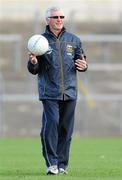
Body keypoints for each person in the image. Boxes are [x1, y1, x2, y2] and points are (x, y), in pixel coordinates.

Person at [27, 6, 88, 175]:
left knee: (66, 130)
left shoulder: (74, 40)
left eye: (61, 16)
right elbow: (34, 70)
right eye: (55, 17)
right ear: (47, 20)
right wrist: (33, 62)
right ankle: (51, 163)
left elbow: (81, 61)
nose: (59, 19)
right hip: (49, 92)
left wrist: (84, 66)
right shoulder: (39, 41)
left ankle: (62, 165)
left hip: (70, 91)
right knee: (51, 125)